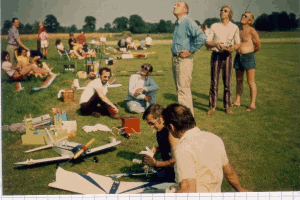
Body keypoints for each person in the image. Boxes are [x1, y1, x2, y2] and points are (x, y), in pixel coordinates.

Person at [162, 103, 251, 193]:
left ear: (171, 127)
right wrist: (240, 189)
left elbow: (189, 191)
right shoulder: (215, 139)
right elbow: (229, 172)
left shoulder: (183, 149)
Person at [171, 1, 207, 116]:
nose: (174, 6)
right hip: (176, 59)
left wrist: (190, 50)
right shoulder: (178, 23)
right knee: (180, 90)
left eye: (178, 5)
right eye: (175, 4)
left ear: (185, 10)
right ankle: (186, 117)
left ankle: (186, 120)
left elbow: (202, 37)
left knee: (183, 90)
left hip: (184, 60)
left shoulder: (188, 21)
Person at [205, 5, 241, 115]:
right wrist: (216, 44)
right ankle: (212, 106)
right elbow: (207, 42)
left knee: (227, 82)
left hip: (227, 56)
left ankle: (227, 106)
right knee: (214, 82)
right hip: (216, 55)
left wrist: (232, 48)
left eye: (225, 11)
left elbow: (238, 43)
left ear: (229, 14)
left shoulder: (234, 27)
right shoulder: (214, 26)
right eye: (221, 10)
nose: (222, 12)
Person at [142, 104, 178, 182]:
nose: (151, 126)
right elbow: (166, 146)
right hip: (169, 163)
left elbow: (175, 162)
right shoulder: (160, 131)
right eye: (149, 124)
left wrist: (155, 163)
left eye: (152, 123)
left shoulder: (171, 133)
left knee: (158, 177)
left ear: (161, 118)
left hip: (178, 168)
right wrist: (155, 150)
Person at [233, 12, 261, 112]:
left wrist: (249, 52)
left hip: (248, 57)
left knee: (250, 82)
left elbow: (258, 45)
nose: (242, 17)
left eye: (245, 16)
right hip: (238, 57)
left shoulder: (252, 30)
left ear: (250, 21)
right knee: (239, 80)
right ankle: (237, 101)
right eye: (242, 15)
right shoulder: (238, 30)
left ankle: (252, 104)